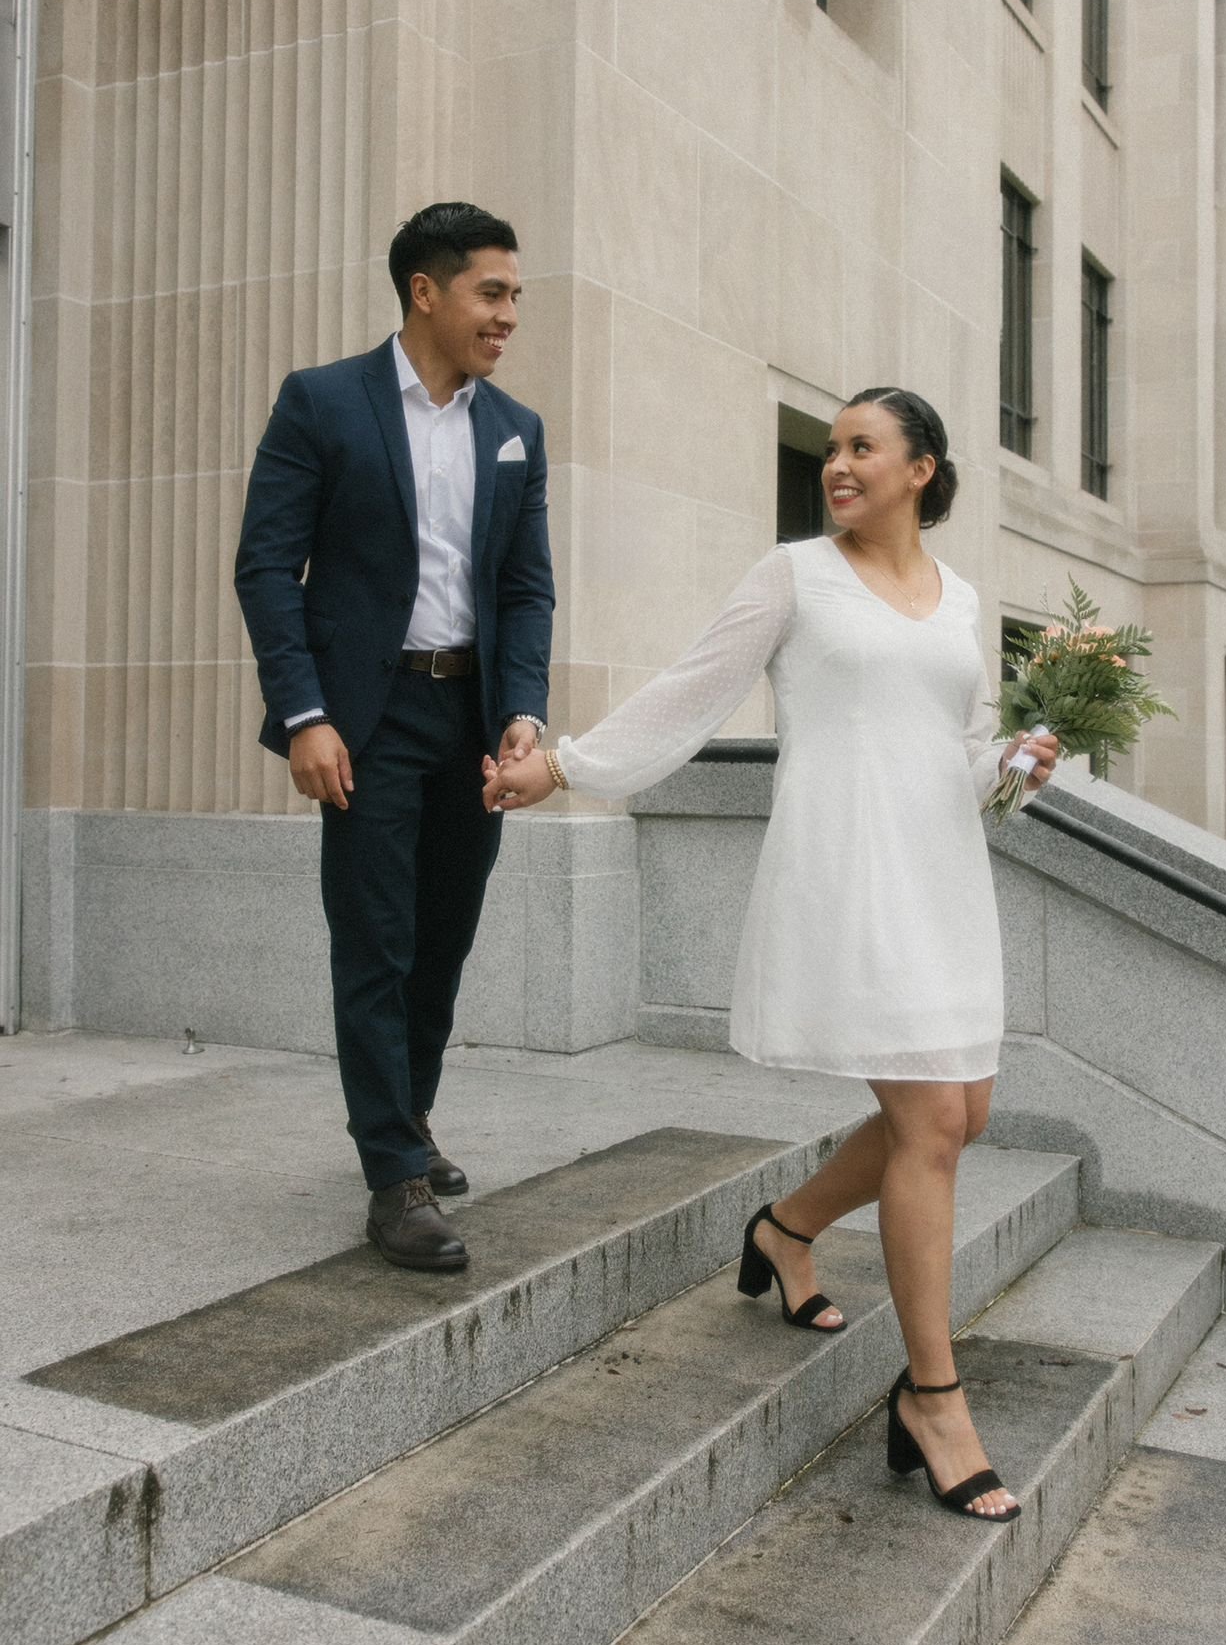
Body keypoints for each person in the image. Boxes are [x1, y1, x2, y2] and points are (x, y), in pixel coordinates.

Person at [482, 387, 1057, 1521]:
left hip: (943, 878)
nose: (836, 464)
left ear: (921, 470)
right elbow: (690, 691)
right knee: (932, 1126)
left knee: (962, 1112)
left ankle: (784, 1228)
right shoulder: (795, 575)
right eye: (831, 447)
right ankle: (933, 1398)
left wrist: (1013, 765)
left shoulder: (961, 600)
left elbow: (961, 747)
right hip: (850, 874)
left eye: (862, 447)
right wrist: (568, 764)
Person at [236, 202, 554, 1272]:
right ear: (425, 290)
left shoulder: (516, 427)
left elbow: (525, 586)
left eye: (514, 296)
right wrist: (305, 715)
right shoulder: (323, 401)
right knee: (376, 941)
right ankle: (393, 1177)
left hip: (472, 721)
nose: (509, 316)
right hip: (364, 722)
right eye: (491, 293)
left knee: (443, 937)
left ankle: (407, 1115)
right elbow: (266, 567)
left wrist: (522, 712)